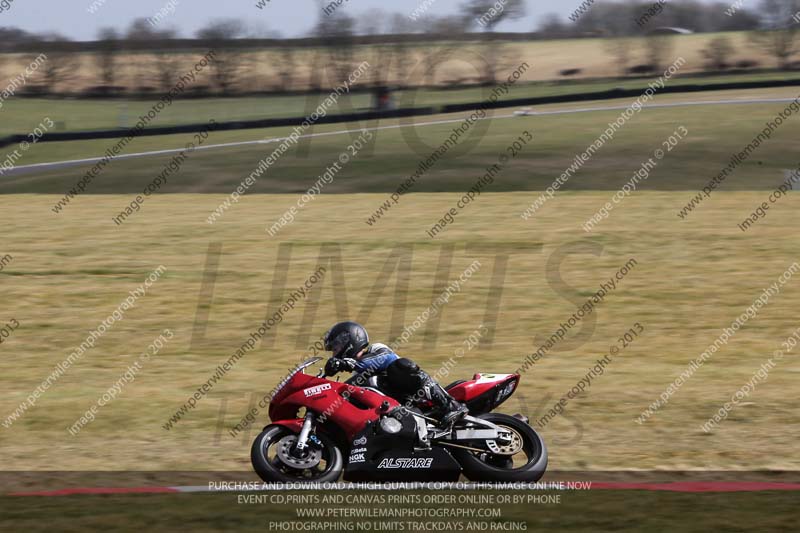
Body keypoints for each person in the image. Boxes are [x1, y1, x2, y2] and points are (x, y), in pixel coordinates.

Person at [323, 321, 468, 427]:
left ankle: (451, 405)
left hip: (418, 398)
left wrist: (346, 363)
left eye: (335, 348)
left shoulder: (377, 349)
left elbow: (383, 359)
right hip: (400, 409)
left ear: (348, 341)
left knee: (400, 366)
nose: (334, 354)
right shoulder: (358, 374)